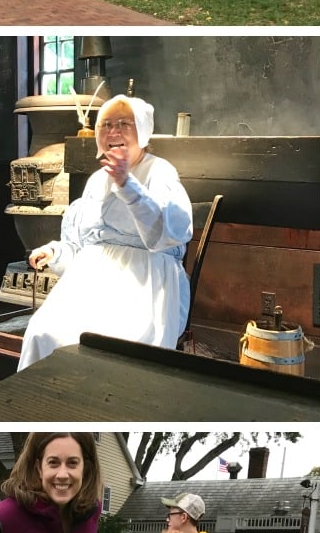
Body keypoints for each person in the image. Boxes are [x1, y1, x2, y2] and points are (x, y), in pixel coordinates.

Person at [17, 94, 192, 371]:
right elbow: (78, 243)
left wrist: (127, 184)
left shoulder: (160, 172)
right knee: (44, 332)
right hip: (90, 281)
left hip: (144, 281)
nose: (114, 132)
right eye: (106, 124)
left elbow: (168, 232)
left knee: (113, 348)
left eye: (125, 123)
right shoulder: (96, 180)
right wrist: (55, 251)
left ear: (143, 130)